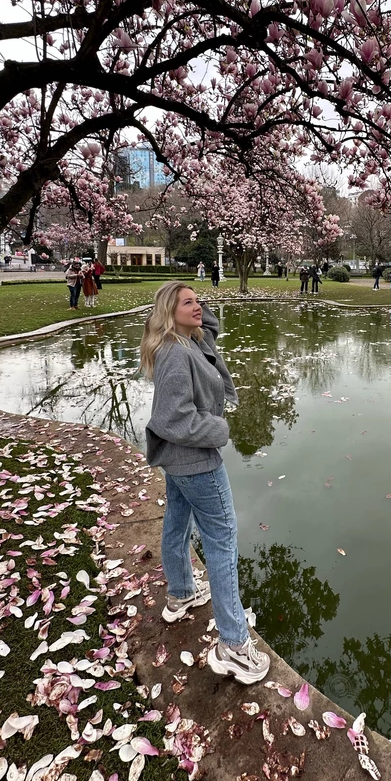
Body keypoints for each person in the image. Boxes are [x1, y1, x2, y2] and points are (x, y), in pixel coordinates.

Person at [140, 282, 270, 684]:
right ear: (169, 311)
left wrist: (194, 302)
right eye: (188, 302)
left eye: (199, 300)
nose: (199, 307)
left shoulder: (188, 340)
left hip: (179, 461)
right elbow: (171, 419)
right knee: (222, 538)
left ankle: (180, 594)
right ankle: (232, 645)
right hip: (196, 460)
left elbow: (210, 325)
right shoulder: (176, 355)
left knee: (178, 522)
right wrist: (218, 429)